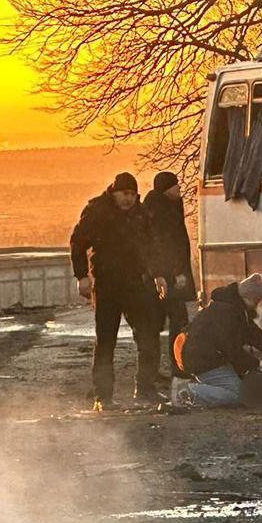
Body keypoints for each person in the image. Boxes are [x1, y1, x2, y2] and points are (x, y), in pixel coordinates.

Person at [70, 172, 166, 411]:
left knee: (148, 336)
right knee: (106, 341)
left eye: (133, 194)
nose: (129, 199)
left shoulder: (140, 214)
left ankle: (145, 390)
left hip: (135, 283)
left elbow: (151, 245)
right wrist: (82, 276)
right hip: (106, 284)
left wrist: (159, 274)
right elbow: (78, 242)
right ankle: (103, 396)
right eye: (125, 194)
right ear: (114, 192)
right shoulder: (97, 211)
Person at [173, 274, 262, 408]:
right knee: (236, 394)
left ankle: (201, 388)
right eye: (255, 302)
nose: (255, 306)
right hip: (201, 359)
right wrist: (257, 363)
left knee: (234, 387)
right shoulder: (227, 314)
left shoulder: (233, 308)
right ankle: (188, 391)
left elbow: (254, 334)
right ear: (247, 298)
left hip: (205, 356)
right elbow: (232, 351)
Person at [142, 171, 195, 390]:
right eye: (175, 186)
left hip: (161, 277)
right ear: (165, 189)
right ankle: (175, 367)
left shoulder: (162, 208)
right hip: (166, 279)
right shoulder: (161, 212)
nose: (179, 189)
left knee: (158, 325)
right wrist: (176, 273)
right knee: (176, 322)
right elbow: (165, 247)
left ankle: (157, 372)